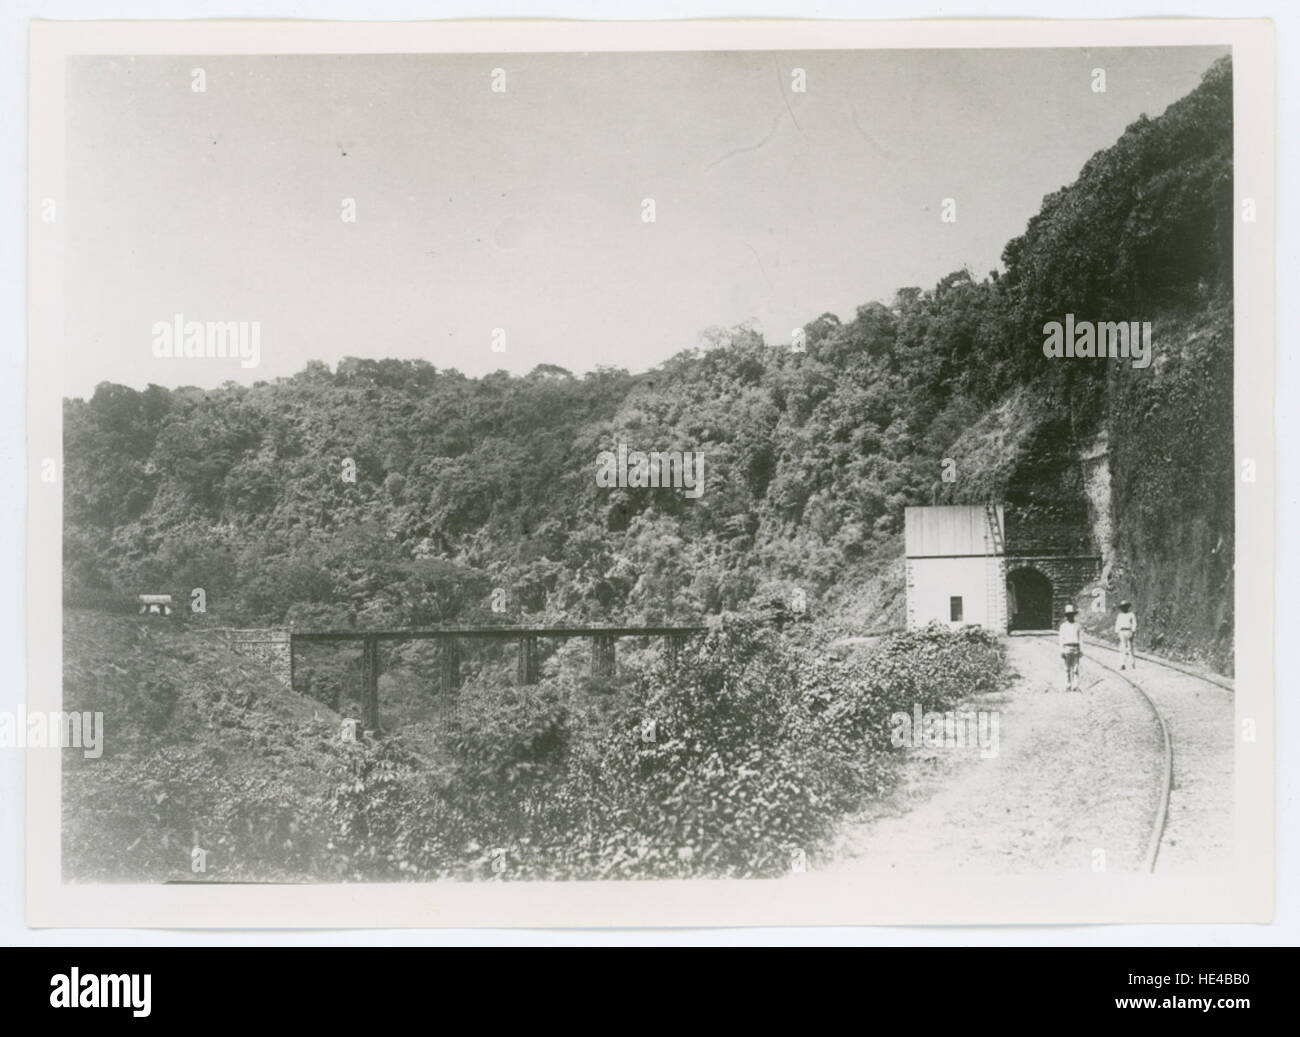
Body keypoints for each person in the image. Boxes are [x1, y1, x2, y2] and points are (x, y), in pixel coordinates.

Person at [1059, 604, 1082, 692]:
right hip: (1066, 648)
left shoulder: (1078, 625)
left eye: (1071, 614)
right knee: (1067, 668)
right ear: (1066, 616)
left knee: (1076, 668)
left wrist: (1081, 649)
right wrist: (1061, 650)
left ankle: (1076, 686)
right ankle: (1068, 685)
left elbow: (1080, 638)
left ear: (1073, 615)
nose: (1070, 616)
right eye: (1068, 615)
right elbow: (1061, 638)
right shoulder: (1063, 626)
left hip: (1076, 648)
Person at [1115, 599, 1137, 670]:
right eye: (1123, 607)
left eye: (1125, 607)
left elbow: (1134, 623)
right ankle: (1122, 664)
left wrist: (1133, 632)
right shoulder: (1120, 615)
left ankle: (1132, 664)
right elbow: (1117, 624)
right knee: (1122, 648)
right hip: (1121, 632)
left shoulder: (1131, 614)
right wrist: (1117, 632)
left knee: (1130, 648)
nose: (1124, 608)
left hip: (1129, 631)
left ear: (1127, 607)